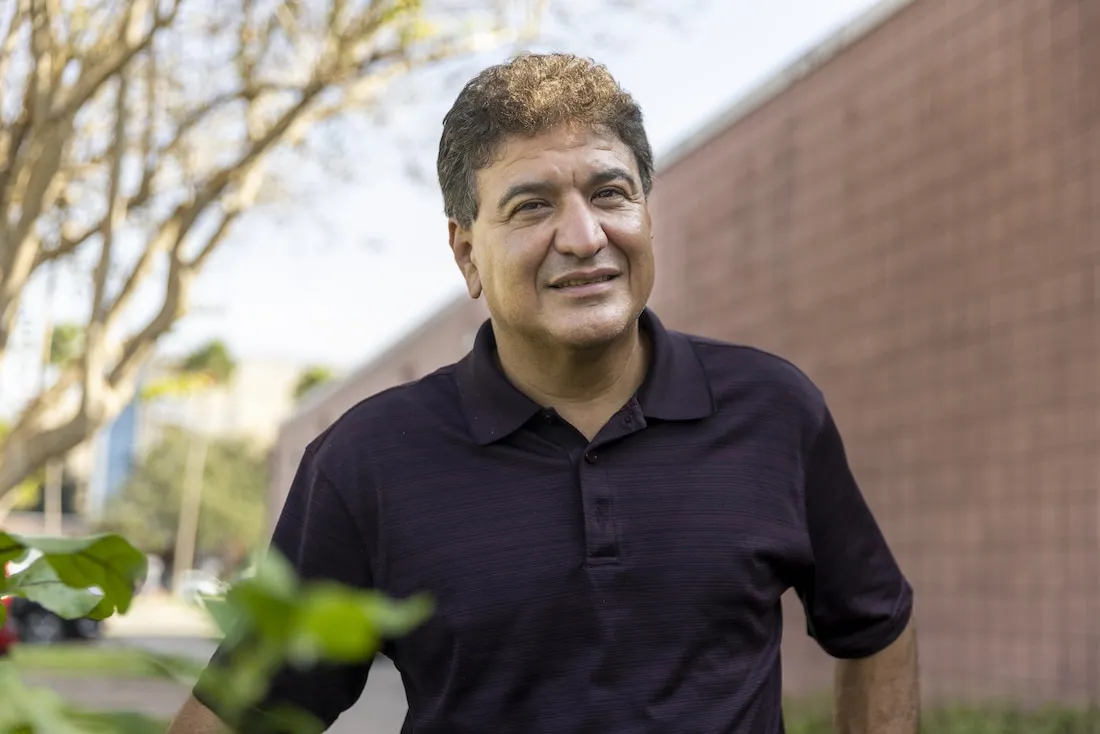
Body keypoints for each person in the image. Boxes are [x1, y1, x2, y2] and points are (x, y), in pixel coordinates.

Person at [168, 52, 919, 734]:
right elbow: (247, 712)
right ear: (466, 252)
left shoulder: (773, 411)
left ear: (646, 217)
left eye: (611, 193)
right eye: (532, 206)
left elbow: (876, 624)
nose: (585, 236)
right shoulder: (369, 460)